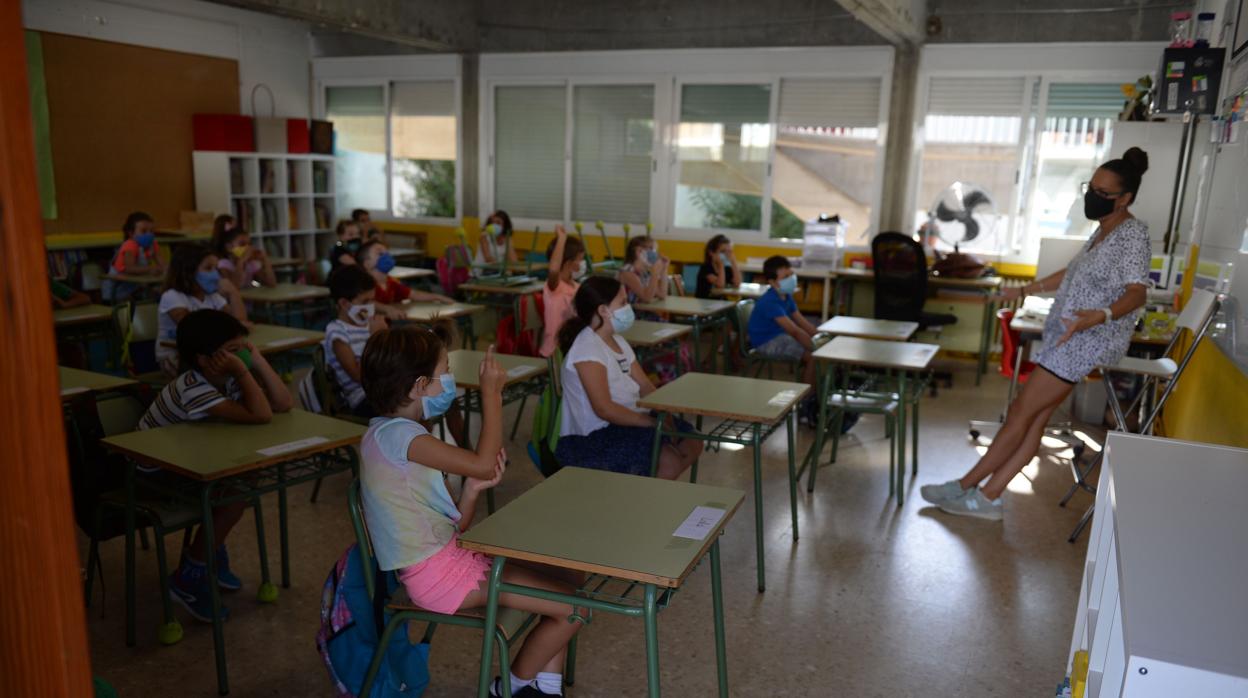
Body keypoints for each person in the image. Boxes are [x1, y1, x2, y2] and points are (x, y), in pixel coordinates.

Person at [922, 148, 1153, 521]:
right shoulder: (1104, 230)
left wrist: (1100, 315)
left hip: (1082, 342)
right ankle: (985, 495)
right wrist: (1024, 290)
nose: (1091, 196)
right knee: (1033, 419)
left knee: (1020, 414)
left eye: (1102, 192)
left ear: (1124, 199)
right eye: (1090, 187)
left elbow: (1137, 291)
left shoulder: (1132, 236)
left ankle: (970, 488)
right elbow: (1072, 273)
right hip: (1069, 336)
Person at [359, 329, 584, 697]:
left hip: (447, 561)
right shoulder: (402, 438)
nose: (450, 381)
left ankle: (545, 688)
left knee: (570, 576)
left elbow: (454, 526)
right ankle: (508, 687)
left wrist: (472, 492)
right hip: (441, 579)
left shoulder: (390, 433)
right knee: (576, 608)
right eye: (444, 372)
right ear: (419, 385)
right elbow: (481, 463)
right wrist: (492, 395)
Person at [138, 309, 292, 622]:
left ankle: (209, 552)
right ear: (205, 359)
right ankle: (189, 577)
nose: (243, 357)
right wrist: (245, 372)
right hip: (151, 475)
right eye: (235, 352)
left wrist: (256, 360)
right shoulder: (192, 386)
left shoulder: (225, 378)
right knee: (234, 496)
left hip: (188, 460)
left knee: (246, 480)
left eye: (244, 348)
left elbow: (282, 404)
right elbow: (261, 416)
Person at [555, 276, 702, 479]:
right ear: (603, 310)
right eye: (623, 302)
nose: (628, 307)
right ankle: (642, 504)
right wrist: (649, 422)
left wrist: (662, 412)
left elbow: (645, 385)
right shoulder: (587, 350)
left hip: (627, 421)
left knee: (691, 441)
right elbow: (604, 409)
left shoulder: (617, 341)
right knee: (668, 459)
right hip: (594, 437)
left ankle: (650, 495)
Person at [156, 244, 248, 376]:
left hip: (208, 352)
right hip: (175, 357)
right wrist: (227, 326)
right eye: (208, 268)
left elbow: (239, 323)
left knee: (245, 363)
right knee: (234, 370)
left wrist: (233, 292)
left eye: (216, 268)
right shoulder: (172, 296)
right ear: (187, 271)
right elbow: (194, 330)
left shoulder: (212, 296)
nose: (215, 274)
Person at [748, 254, 820, 391]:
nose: (791, 279)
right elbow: (795, 331)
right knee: (814, 356)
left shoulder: (786, 296)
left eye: (791, 274)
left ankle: (815, 388)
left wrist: (823, 338)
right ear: (773, 282)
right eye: (785, 277)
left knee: (818, 350)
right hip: (766, 341)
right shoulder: (770, 301)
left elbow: (802, 322)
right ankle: (807, 399)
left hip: (780, 335)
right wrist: (816, 346)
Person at [324, 266, 387, 418]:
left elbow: (390, 361)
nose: (371, 306)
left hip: (384, 389)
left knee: (422, 399)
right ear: (345, 303)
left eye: (373, 299)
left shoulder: (368, 324)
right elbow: (358, 376)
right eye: (366, 301)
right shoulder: (337, 332)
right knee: (410, 408)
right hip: (361, 398)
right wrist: (376, 338)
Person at [355, 240, 453, 320]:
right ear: (367, 264)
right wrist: (386, 309)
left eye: (387, 252)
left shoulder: (390, 282)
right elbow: (365, 301)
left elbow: (413, 294)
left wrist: (437, 297)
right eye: (380, 253)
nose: (386, 256)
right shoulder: (364, 283)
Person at [540, 225, 586, 358]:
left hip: (573, 347)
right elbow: (554, 270)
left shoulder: (576, 286)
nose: (582, 263)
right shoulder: (555, 287)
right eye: (580, 259)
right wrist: (561, 239)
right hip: (555, 351)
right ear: (568, 263)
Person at [102, 211, 164, 302]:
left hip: (135, 288)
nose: (149, 234)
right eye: (143, 231)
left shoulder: (153, 244)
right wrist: (151, 269)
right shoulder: (130, 244)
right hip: (117, 290)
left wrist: (165, 270)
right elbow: (130, 268)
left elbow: (163, 265)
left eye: (151, 231)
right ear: (131, 234)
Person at [212, 216, 276, 289]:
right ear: (229, 247)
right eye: (242, 244)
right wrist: (242, 261)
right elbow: (234, 286)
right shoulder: (224, 264)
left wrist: (265, 260)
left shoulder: (250, 264)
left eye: (249, 244)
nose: (247, 248)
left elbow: (271, 283)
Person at [618, 235, 669, 305]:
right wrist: (655, 274)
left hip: (641, 312)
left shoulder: (644, 272)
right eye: (651, 249)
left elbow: (662, 295)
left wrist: (664, 269)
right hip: (629, 314)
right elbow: (647, 298)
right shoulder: (627, 272)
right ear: (639, 251)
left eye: (655, 250)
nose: (656, 254)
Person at [695, 234, 738, 299]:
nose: (726, 255)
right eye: (722, 251)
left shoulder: (726, 268)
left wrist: (734, 263)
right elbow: (720, 285)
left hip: (719, 303)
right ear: (711, 252)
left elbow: (737, 283)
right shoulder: (706, 267)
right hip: (705, 303)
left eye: (729, 251)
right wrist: (721, 265)